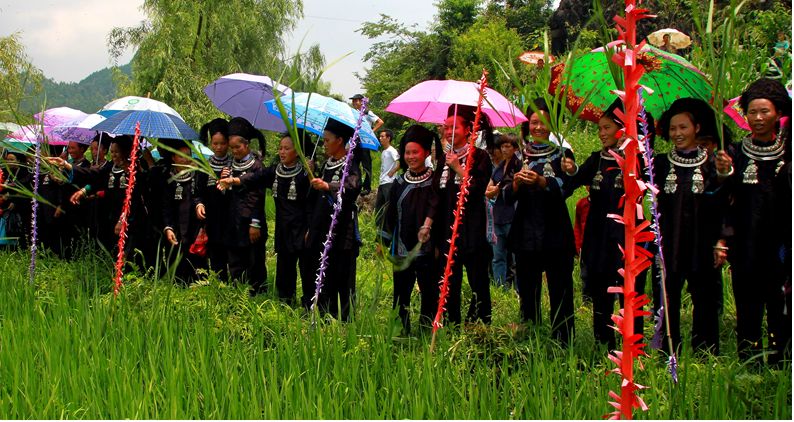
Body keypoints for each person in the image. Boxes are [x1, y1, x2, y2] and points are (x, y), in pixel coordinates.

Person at [562, 99, 649, 350]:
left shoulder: (638, 160)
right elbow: (575, 180)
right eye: (599, 128)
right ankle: (604, 343)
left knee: (630, 294)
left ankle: (633, 347)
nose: (601, 133)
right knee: (602, 292)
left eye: (607, 128)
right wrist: (569, 169)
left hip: (628, 238)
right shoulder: (596, 160)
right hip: (599, 238)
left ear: (623, 128)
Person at [716, 78, 791, 364]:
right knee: (748, 304)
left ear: (778, 114)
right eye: (752, 112)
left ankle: (781, 360)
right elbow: (722, 198)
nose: (758, 119)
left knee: (779, 302)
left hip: (781, 244)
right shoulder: (735, 153)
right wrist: (724, 173)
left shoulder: (788, 151)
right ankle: (748, 359)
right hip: (745, 243)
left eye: (765, 112)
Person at [652, 98, 727, 356]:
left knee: (704, 298)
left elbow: (723, 203)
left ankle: (705, 352)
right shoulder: (659, 164)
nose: (677, 134)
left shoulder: (712, 163)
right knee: (666, 296)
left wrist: (721, 240)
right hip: (668, 242)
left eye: (683, 127)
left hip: (701, 242)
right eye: (673, 129)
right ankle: (666, 351)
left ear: (696, 128)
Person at [504, 98, 575, 346]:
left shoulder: (563, 155)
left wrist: (544, 183)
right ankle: (530, 338)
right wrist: (516, 183)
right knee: (528, 293)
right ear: (527, 125)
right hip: (525, 234)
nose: (539, 127)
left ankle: (564, 341)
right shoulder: (518, 156)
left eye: (544, 122)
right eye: (534, 122)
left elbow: (568, 188)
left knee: (561, 291)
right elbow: (503, 194)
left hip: (556, 234)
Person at [219, 131, 314, 306]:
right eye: (280, 148)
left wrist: (311, 175)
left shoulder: (306, 173)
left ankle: (310, 305)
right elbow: (254, 178)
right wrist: (233, 180)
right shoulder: (274, 171)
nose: (282, 152)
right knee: (284, 267)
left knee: (307, 268)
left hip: (302, 228)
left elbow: (313, 202)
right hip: (283, 228)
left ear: (298, 151)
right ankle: (286, 302)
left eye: (287, 148)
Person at [433, 104, 493, 326]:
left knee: (478, 280)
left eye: (454, 127)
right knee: (449, 281)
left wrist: (459, 168)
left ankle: (480, 326)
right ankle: (450, 325)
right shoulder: (444, 158)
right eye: (446, 127)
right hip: (448, 231)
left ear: (469, 129)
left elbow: (478, 190)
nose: (449, 132)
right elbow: (437, 196)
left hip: (473, 230)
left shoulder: (480, 157)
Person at [378, 125, 440, 335]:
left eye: (416, 152)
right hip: (402, 248)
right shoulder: (398, 182)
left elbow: (438, 213)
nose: (411, 157)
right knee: (400, 294)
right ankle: (400, 332)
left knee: (429, 293)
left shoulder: (435, 181)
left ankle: (426, 333)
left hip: (428, 250)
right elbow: (390, 215)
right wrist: (383, 241)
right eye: (407, 152)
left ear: (425, 153)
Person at [305, 118, 362, 321]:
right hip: (322, 227)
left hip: (342, 231)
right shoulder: (326, 165)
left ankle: (345, 319)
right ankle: (323, 314)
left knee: (342, 275)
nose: (324, 144)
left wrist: (328, 186)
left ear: (339, 140)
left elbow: (353, 188)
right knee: (322, 272)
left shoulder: (351, 164)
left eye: (327, 140)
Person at [220, 117, 267, 295]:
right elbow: (225, 194)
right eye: (231, 148)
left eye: (237, 147)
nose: (234, 151)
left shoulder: (257, 166)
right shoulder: (230, 165)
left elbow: (258, 196)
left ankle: (258, 296)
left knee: (254, 261)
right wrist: (223, 180)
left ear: (246, 145)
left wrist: (255, 223)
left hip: (251, 222)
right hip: (233, 221)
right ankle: (237, 295)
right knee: (235, 261)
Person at [161, 140, 205, 283]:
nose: (185, 159)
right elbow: (165, 206)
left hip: (194, 227)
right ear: (173, 157)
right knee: (177, 261)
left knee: (196, 263)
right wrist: (168, 227)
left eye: (188, 155)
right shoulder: (168, 178)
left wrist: (200, 204)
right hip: (176, 228)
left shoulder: (198, 175)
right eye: (181, 156)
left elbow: (202, 195)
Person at [194, 118, 231, 279]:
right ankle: (219, 286)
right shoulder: (204, 165)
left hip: (230, 218)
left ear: (228, 143)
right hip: (212, 219)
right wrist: (199, 204)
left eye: (222, 143)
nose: (218, 147)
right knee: (215, 255)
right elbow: (198, 192)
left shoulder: (233, 164)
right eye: (215, 143)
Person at [485, 133, 520, 288]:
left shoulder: (518, 165)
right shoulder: (499, 167)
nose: (505, 150)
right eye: (502, 146)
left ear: (515, 148)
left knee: (517, 256)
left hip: (513, 215)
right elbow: (488, 190)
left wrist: (501, 190)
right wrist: (495, 190)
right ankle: (500, 288)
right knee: (498, 256)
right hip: (497, 215)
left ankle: (520, 289)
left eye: (508, 146)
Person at [350, 93, 383, 196]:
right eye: (353, 101)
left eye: (356, 100)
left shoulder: (367, 112)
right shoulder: (354, 113)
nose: (354, 102)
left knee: (366, 165)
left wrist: (371, 132)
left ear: (361, 101)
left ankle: (367, 187)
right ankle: (355, 184)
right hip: (356, 141)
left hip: (365, 141)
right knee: (354, 163)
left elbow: (380, 122)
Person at [374, 129, 400, 230]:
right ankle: (379, 229)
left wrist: (392, 172)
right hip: (382, 181)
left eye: (382, 136)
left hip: (389, 182)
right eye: (380, 136)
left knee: (388, 207)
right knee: (379, 207)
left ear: (388, 138)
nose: (380, 138)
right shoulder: (384, 151)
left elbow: (398, 162)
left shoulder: (391, 150)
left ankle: (389, 230)